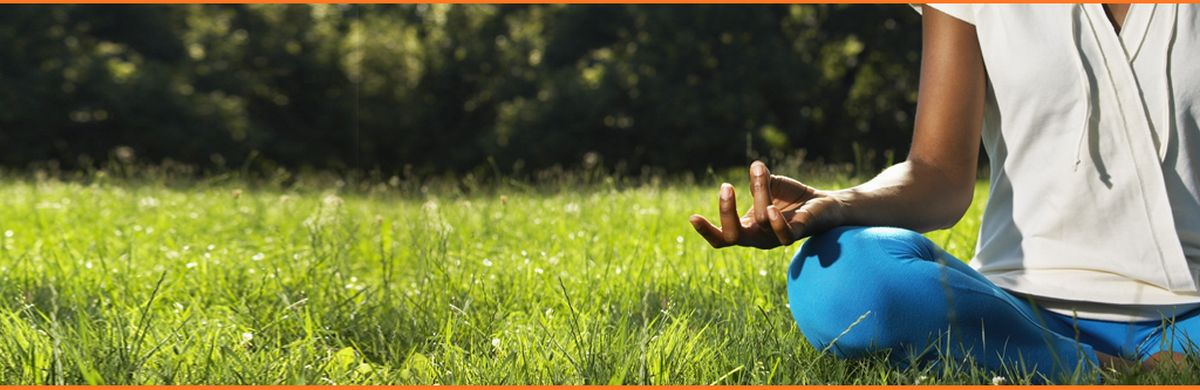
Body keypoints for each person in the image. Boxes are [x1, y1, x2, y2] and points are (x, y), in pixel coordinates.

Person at [689, 4, 1200, 383]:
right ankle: (1099, 369)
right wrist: (838, 204)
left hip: (1192, 312)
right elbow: (937, 173)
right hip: (1013, 310)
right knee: (838, 273)